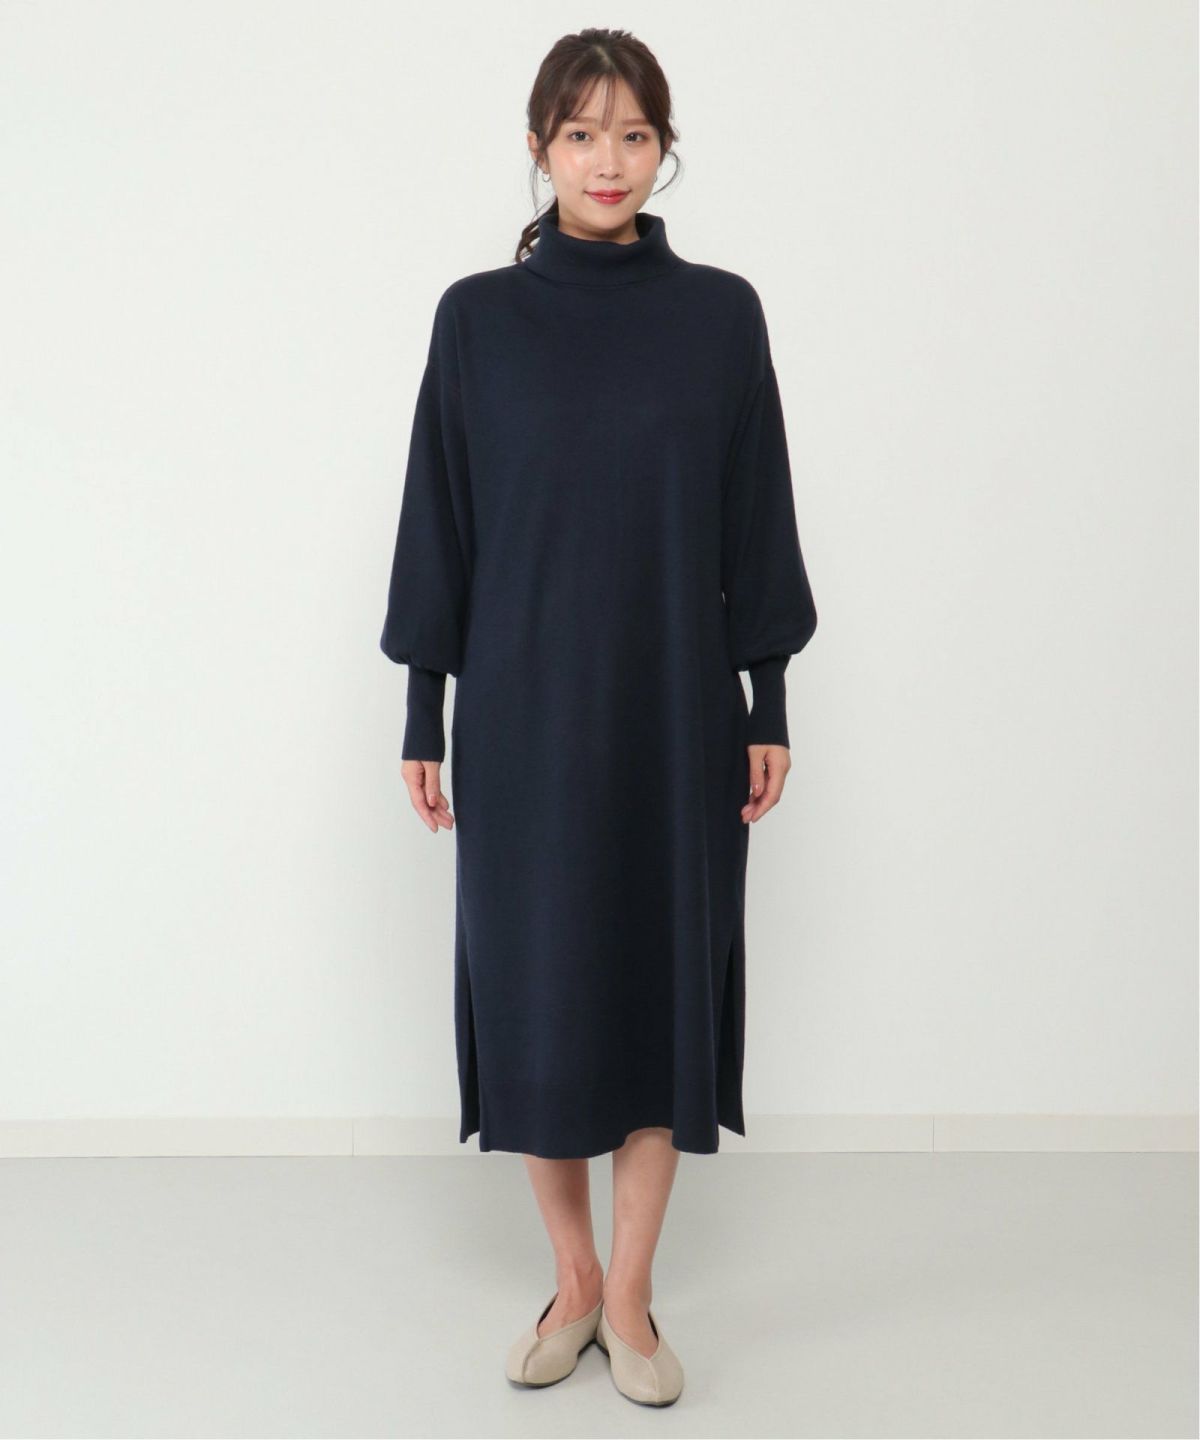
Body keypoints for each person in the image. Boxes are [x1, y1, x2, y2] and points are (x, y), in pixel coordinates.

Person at [380, 28, 817, 1407]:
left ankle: (631, 1299)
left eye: (634, 134)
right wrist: (424, 712)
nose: (608, 161)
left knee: (660, 987)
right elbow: (440, 522)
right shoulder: (476, 321)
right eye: (581, 135)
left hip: (677, 713)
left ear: (663, 148)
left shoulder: (720, 316)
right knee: (542, 993)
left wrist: (766, 695)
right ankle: (571, 1278)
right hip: (521, 716)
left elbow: (756, 514)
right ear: (539, 148)